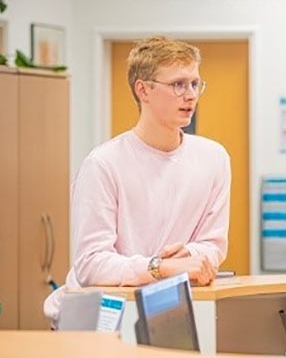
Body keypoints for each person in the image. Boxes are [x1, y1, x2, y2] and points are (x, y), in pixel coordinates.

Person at [44, 36, 231, 322]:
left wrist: (191, 255)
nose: (191, 95)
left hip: (167, 311)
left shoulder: (214, 158)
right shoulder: (103, 164)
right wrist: (160, 268)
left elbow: (213, 245)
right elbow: (91, 264)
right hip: (97, 320)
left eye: (195, 84)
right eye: (178, 84)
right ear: (143, 89)